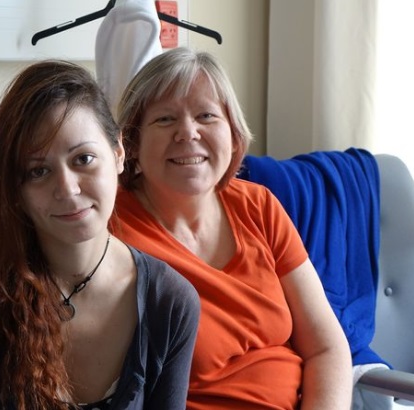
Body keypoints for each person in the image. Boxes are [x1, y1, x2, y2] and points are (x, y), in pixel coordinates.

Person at [0, 60, 200, 410]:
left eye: (83, 159)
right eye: (38, 171)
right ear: (16, 188)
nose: (67, 189)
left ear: (118, 153)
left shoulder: (172, 303)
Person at [112, 47, 353, 409]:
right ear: (131, 144)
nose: (187, 133)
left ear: (233, 134)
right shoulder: (109, 226)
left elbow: (326, 347)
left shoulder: (259, 205)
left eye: (206, 115)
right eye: (164, 119)